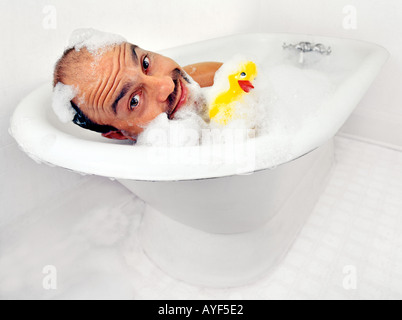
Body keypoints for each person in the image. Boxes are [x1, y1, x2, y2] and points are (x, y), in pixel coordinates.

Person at [53, 41, 222, 141]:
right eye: (134, 100)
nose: (167, 85)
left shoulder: (217, 78)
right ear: (119, 134)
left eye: (146, 63)